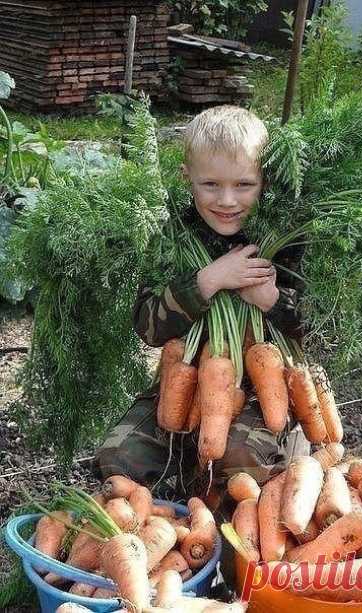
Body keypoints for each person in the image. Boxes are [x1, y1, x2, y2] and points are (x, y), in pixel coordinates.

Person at [92, 105, 309, 504]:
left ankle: (284, 455)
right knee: (119, 458)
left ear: (265, 181)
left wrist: (271, 300)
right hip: (186, 376)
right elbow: (148, 327)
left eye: (244, 185)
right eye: (210, 184)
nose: (227, 200)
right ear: (187, 178)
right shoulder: (170, 232)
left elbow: (319, 330)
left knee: (239, 464)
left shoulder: (286, 235)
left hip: (265, 387)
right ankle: (169, 509)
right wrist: (207, 281)